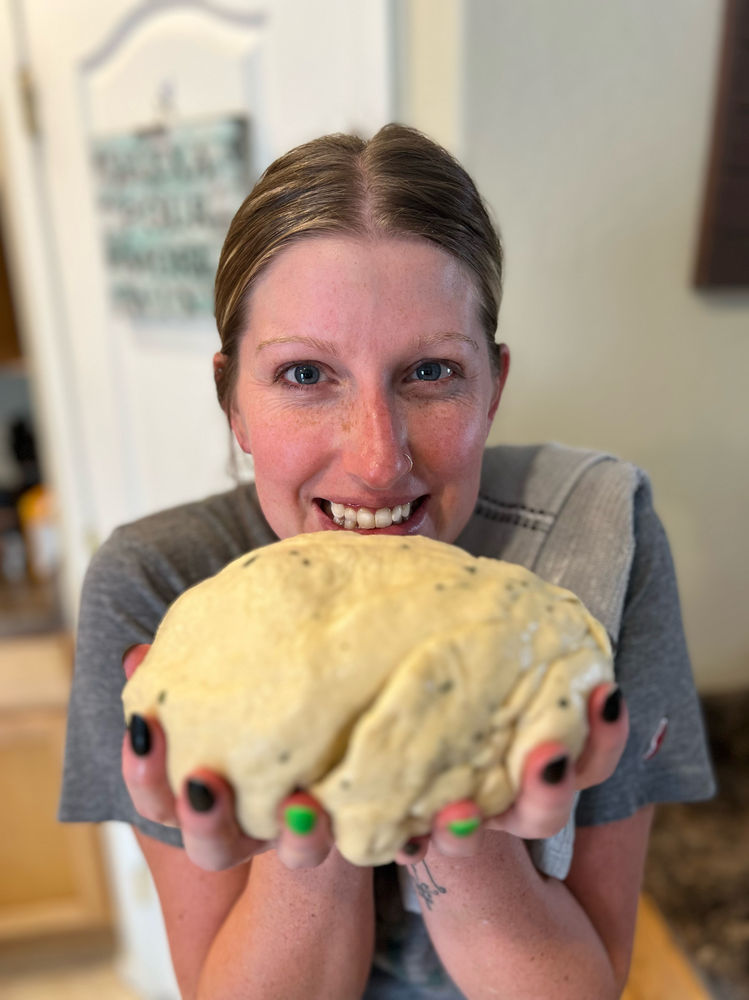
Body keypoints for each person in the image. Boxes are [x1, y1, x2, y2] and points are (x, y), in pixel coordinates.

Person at [59, 124, 715, 1000]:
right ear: (233, 405)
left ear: (493, 388)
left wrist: (459, 823)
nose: (377, 458)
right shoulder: (152, 588)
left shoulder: (599, 536)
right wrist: (317, 813)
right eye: (303, 376)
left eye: (432, 372)